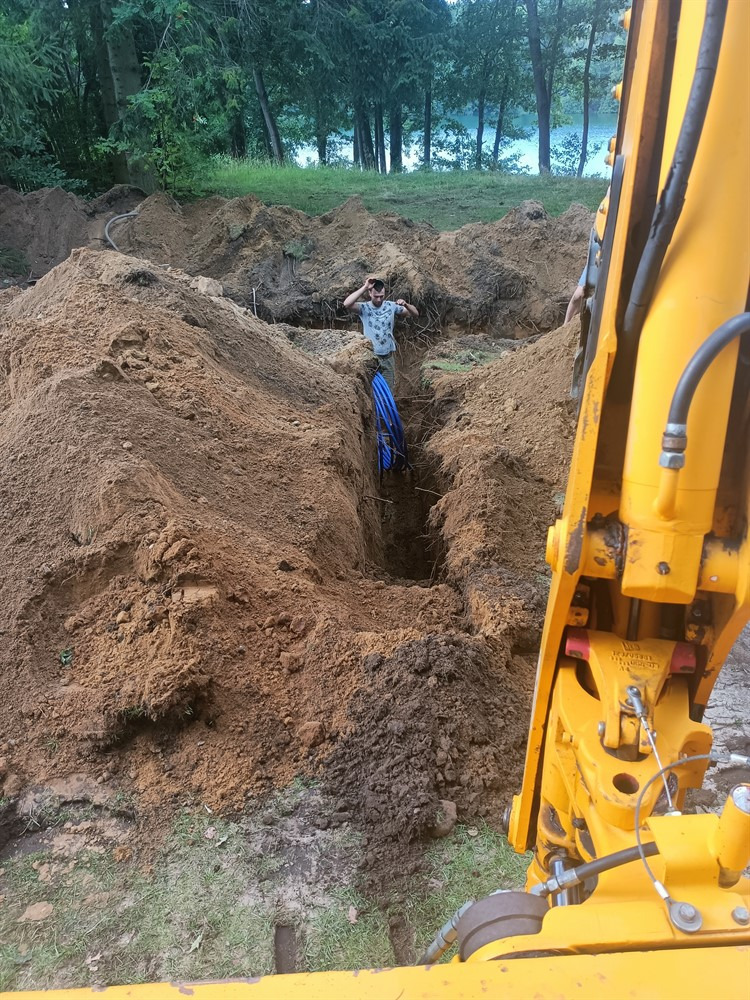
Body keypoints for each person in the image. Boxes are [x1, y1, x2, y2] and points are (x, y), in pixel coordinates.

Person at [343, 276, 419, 393]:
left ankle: (386, 409)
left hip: (388, 357)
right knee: (371, 391)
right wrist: (365, 287)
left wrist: (406, 305)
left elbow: (415, 313)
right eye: (376, 296)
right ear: (370, 293)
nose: (379, 300)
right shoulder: (364, 308)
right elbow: (347, 304)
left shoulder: (391, 306)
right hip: (371, 357)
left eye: (381, 296)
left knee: (388, 391)